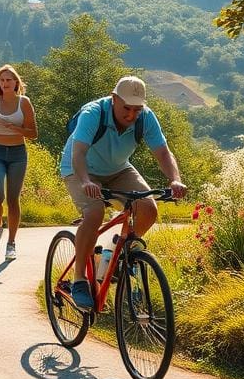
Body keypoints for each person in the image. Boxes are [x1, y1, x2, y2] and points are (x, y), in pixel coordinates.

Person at [61, 75, 187, 310]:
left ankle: (116, 254)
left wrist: (175, 180)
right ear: (114, 99)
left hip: (118, 168)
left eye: (137, 110)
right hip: (80, 169)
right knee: (95, 212)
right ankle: (79, 279)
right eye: (126, 108)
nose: (131, 115)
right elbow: (78, 153)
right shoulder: (93, 114)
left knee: (148, 208)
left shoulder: (146, 118)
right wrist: (87, 181)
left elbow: (163, 153)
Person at [0, 64, 37, 261]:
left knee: (13, 200)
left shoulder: (24, 103)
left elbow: (33, 134)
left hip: (18, 154)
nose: (5, 83)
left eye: (9, 80)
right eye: (2, 80)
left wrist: (13, 127)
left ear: (16, 83)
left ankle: (11, 243)